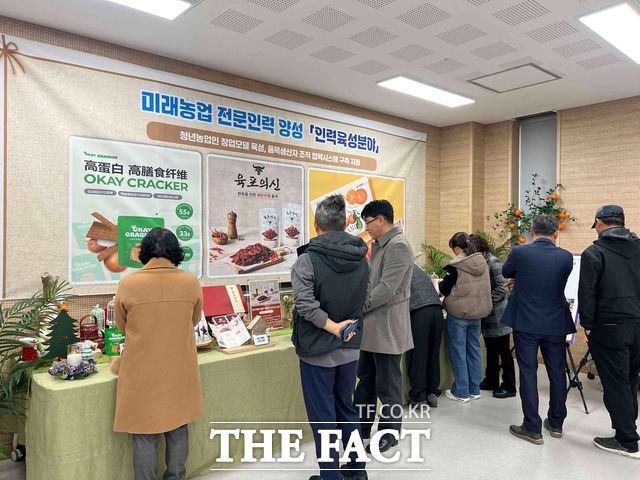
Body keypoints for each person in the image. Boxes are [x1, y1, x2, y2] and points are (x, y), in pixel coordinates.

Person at [113, 228, 203, 480]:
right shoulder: (190, 282)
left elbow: (122, 324)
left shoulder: (129, 283)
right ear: (176, 252)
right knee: (178, 427)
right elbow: (194, 320)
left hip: (140, 370)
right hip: (179, 367)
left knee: (143, 433)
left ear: (144, 252)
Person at [291, 194, 370, 480]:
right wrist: (346, 328)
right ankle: (357, 470)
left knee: (322, 415)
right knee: (346, 406)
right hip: (351, 345)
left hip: (317, 348)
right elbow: (366, 298)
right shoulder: (362, 259)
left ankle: (331, 476)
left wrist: (334, 327)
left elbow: (305, 305)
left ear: (316, 225)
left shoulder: (307, 260)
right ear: (346, 223)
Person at [501, 214, 574, 445]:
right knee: (557, 372)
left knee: (528, 372)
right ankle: (556, 424)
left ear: (532, 232)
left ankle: (532, 427)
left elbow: (505, 272)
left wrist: (519, 280)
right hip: (556, 323)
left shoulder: (520, 252)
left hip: (526, 322)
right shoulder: (566, 257)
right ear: (556, 234)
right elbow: (550, 279)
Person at [578, 205, 640, 459]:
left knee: (616, 384)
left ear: (599, 223)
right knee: (629, 380)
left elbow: (587, 293)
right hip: (638, 324)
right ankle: (627, 429)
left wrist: (587, 324)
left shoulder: (594, 252)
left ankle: (627, 440)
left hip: (609, 327)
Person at [354, 199, 414, 454]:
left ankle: (389, 433)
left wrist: (359, 308)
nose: (366, 228)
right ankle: (361, 427)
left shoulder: (398, 246)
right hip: (372, 325)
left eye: (368, 223)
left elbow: (387, 289)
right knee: (366, 380)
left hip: (387, 326)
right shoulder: (379, 245)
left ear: (381, 220)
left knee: (388, 386)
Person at [439, 232, 492, 403]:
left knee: (458, 352)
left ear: (457, 248)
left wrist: (441, 284)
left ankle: (461, 392)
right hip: (478, 313)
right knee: (474, 350)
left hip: (459, 314)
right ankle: (474, 389)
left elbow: (445, 289)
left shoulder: (457, 265)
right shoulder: (482, 262)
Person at [469, 234, 516, 399]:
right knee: (491, 349)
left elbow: (503, 287)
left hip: (498, 314)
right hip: (488, 313)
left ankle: (509, 386)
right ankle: (491, 380)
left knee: (504, 350)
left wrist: (485, 300)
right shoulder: (483, 262)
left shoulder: (494, 262)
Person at [407, 264, 444, 408]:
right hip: (436, 309)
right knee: (432, 353)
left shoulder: (398, 266)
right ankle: (432, 392)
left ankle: (418, 396)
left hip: (420, 311)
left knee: (418, 354)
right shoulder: (416, 269)